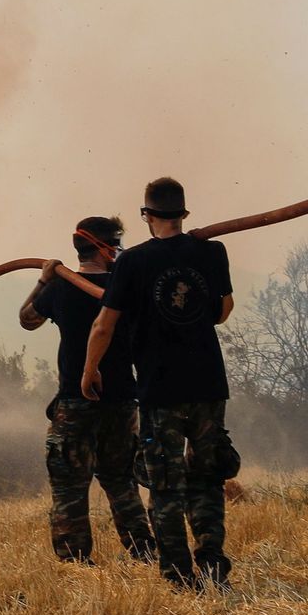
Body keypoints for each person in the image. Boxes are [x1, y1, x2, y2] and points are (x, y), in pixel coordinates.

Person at [82, 178, 236, 591]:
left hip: (159, 388)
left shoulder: (131, 262)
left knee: (165, 484)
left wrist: (89, 371)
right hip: (208, 383)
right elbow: (223, 310)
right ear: (183, 215)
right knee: (207, 478)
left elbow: (104, 324)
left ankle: (179, 575)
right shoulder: (212, 251)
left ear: (146, 216)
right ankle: (213, 562)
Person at [21, 217, 154, 564]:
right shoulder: (124, 287)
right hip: (122, 401)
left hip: (75, 405)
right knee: (122, 481)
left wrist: (43, 280)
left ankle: (75, 563)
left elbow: (27, 318)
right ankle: (144, 552)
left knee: (69, 487)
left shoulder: (60, 289)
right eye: (117, 242)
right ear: (104, 246)